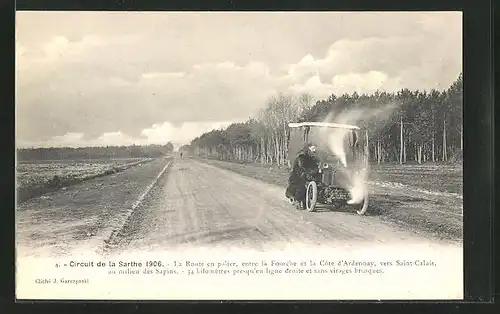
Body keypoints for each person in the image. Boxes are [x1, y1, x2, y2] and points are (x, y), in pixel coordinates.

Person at [285, 142, 322, 209]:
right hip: (298, 174)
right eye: (313, 148)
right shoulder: (303, 155)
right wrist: (311, 171)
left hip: (307, 173)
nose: (314, 150)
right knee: (300, 186)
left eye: (315, 148)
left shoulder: (313, 155)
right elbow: (301, 166)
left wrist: (318, 168)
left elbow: (316, 163)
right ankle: (297, 200)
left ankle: (305, 201)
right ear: (309, 147)